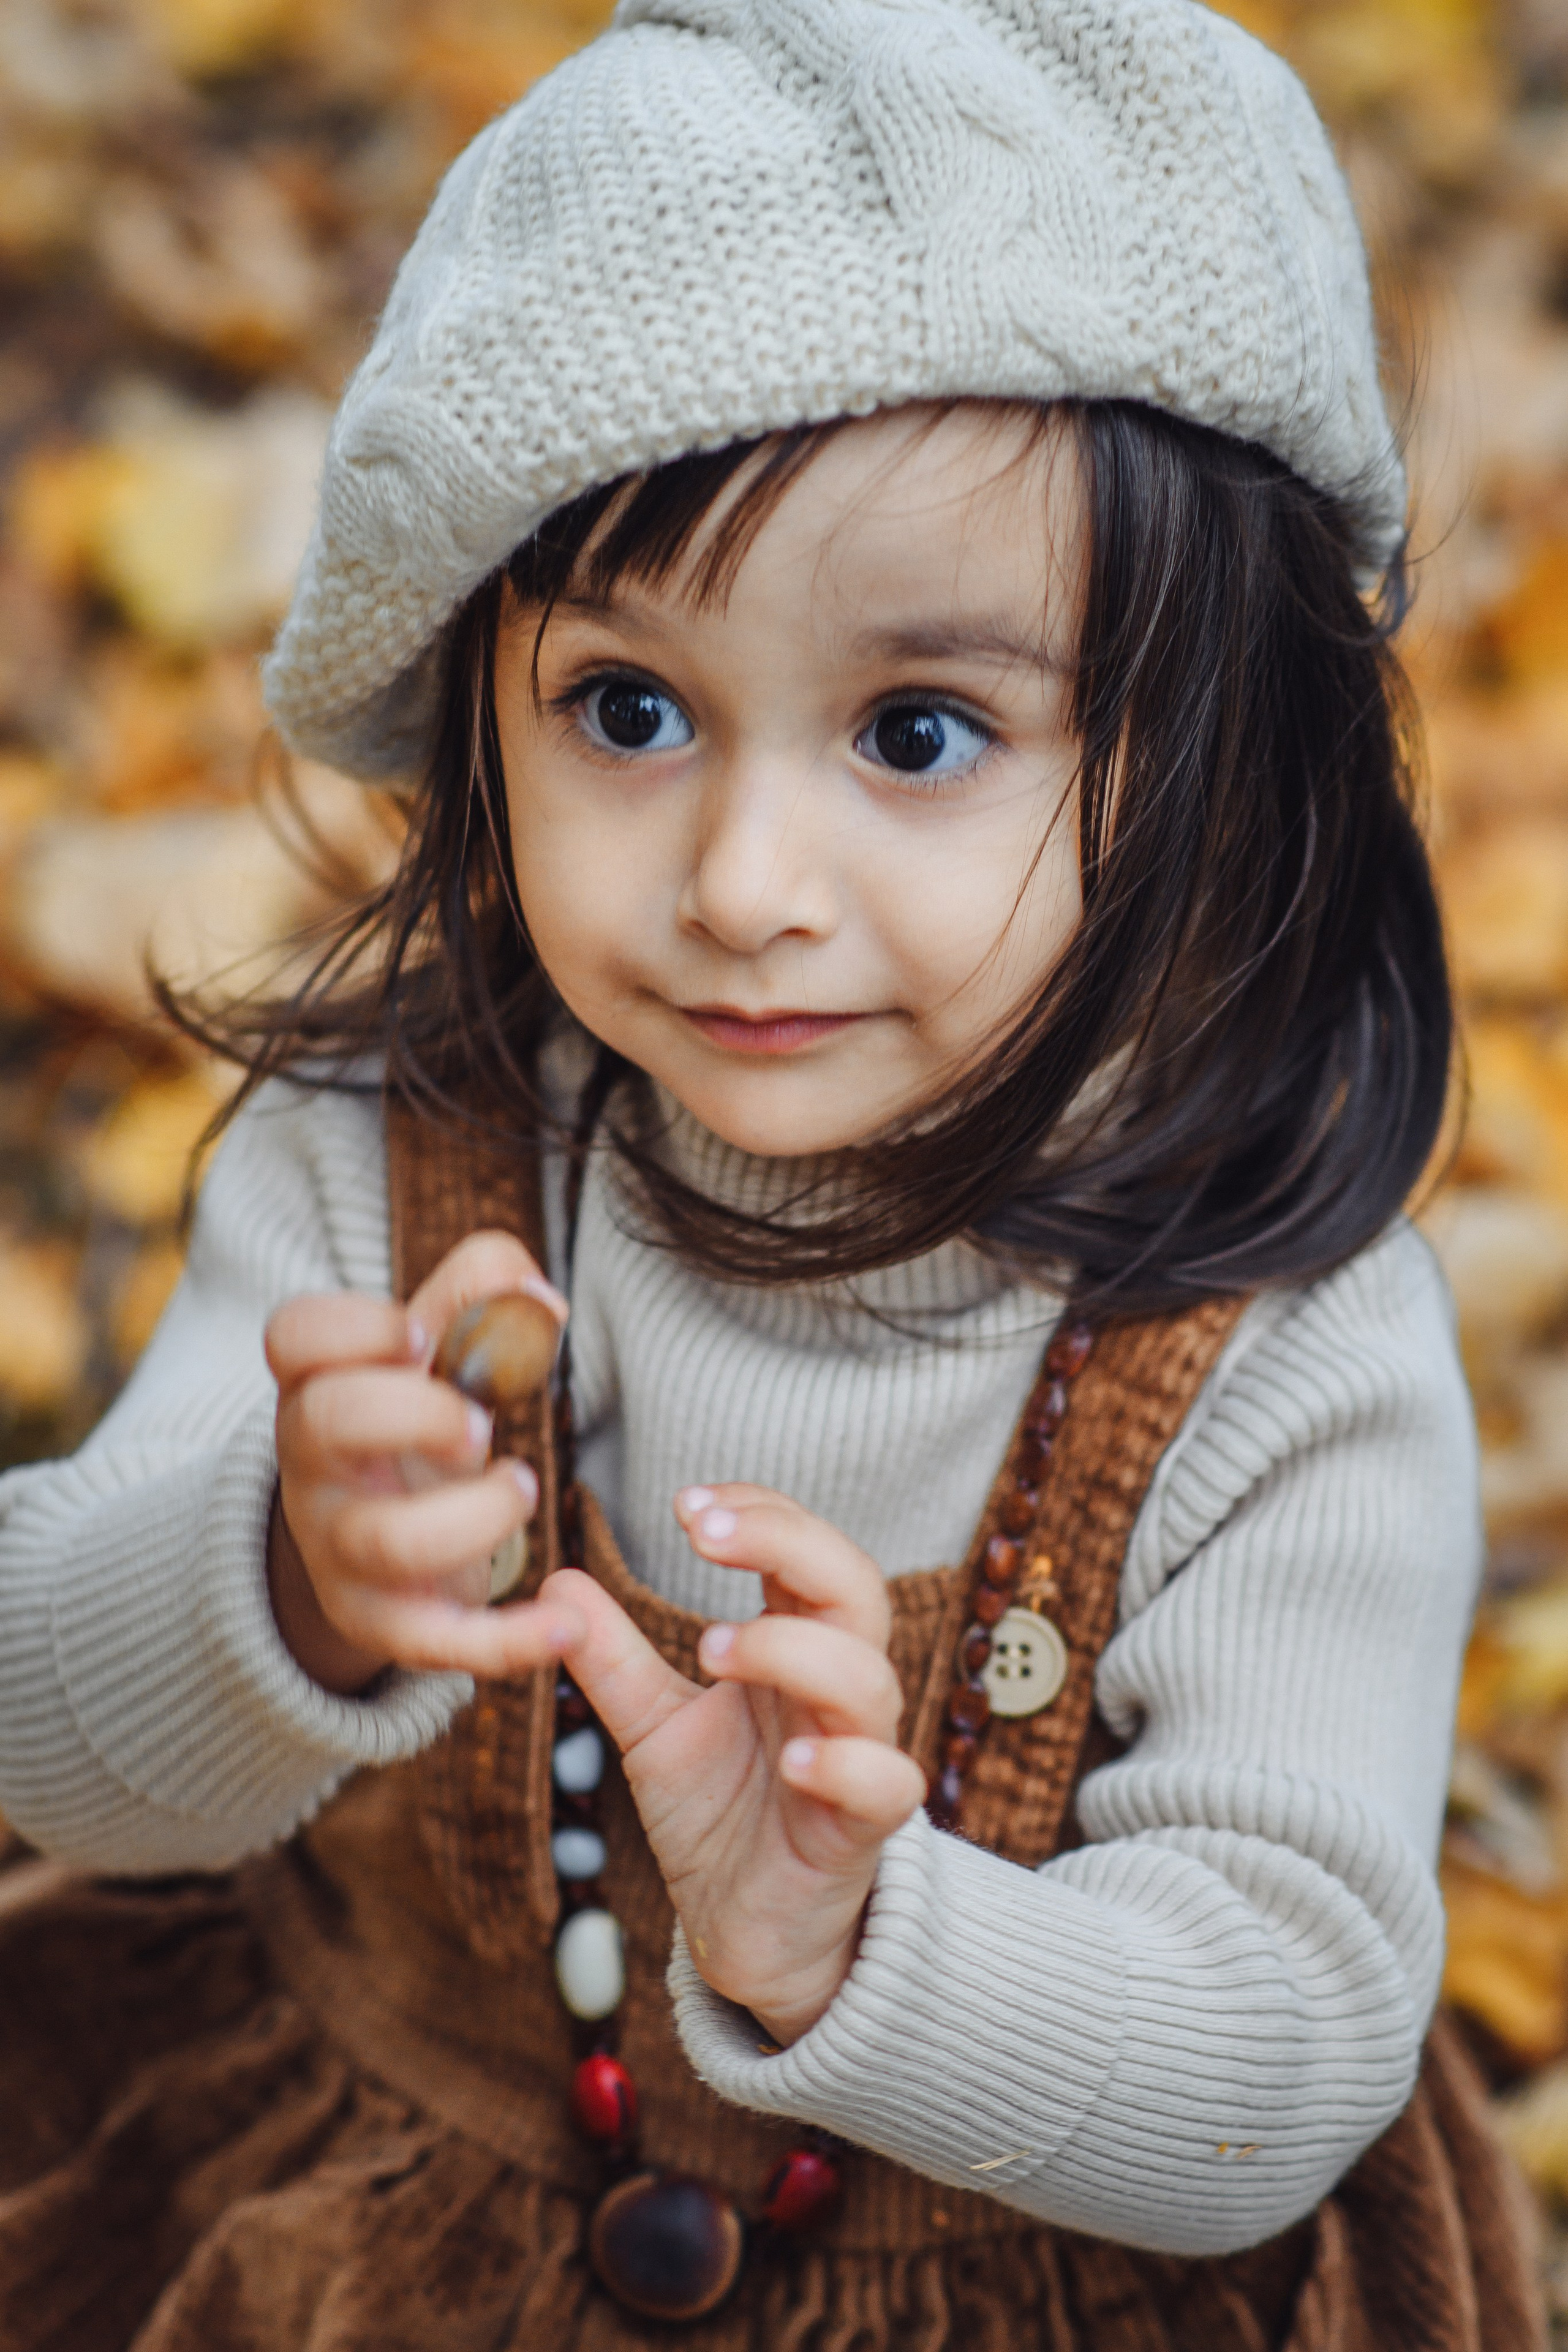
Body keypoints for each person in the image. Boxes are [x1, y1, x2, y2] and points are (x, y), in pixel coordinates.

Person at [0, 2, 1545, 2345]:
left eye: (922, 734)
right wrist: (282, 1586)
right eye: (629, 708)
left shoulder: (1284, 1349)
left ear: (1225, 768)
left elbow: (1289, 2040)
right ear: (478, 691)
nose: (740, 877)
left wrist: (864, 1943)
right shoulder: (383, 1182)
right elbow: (51, 1750)